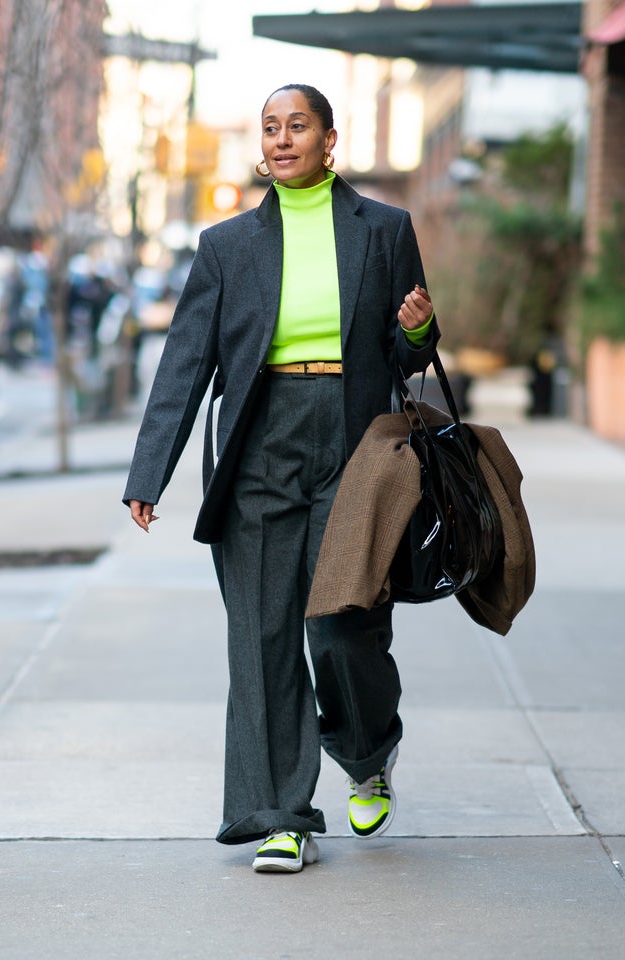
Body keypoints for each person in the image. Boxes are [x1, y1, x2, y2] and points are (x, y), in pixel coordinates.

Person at [123, 84, 438, 873]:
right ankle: (280, 814)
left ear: (330, 141)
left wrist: (419, 330)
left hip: (354, 440)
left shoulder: (385, 229)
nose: (282, 139)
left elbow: (410, 358)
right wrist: (149, 471)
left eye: (299, 126)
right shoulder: (227, 246)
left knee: (340, 625)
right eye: (272, 128)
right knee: (262, 637)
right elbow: (185, 365)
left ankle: (368, 754)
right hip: (260, 443)